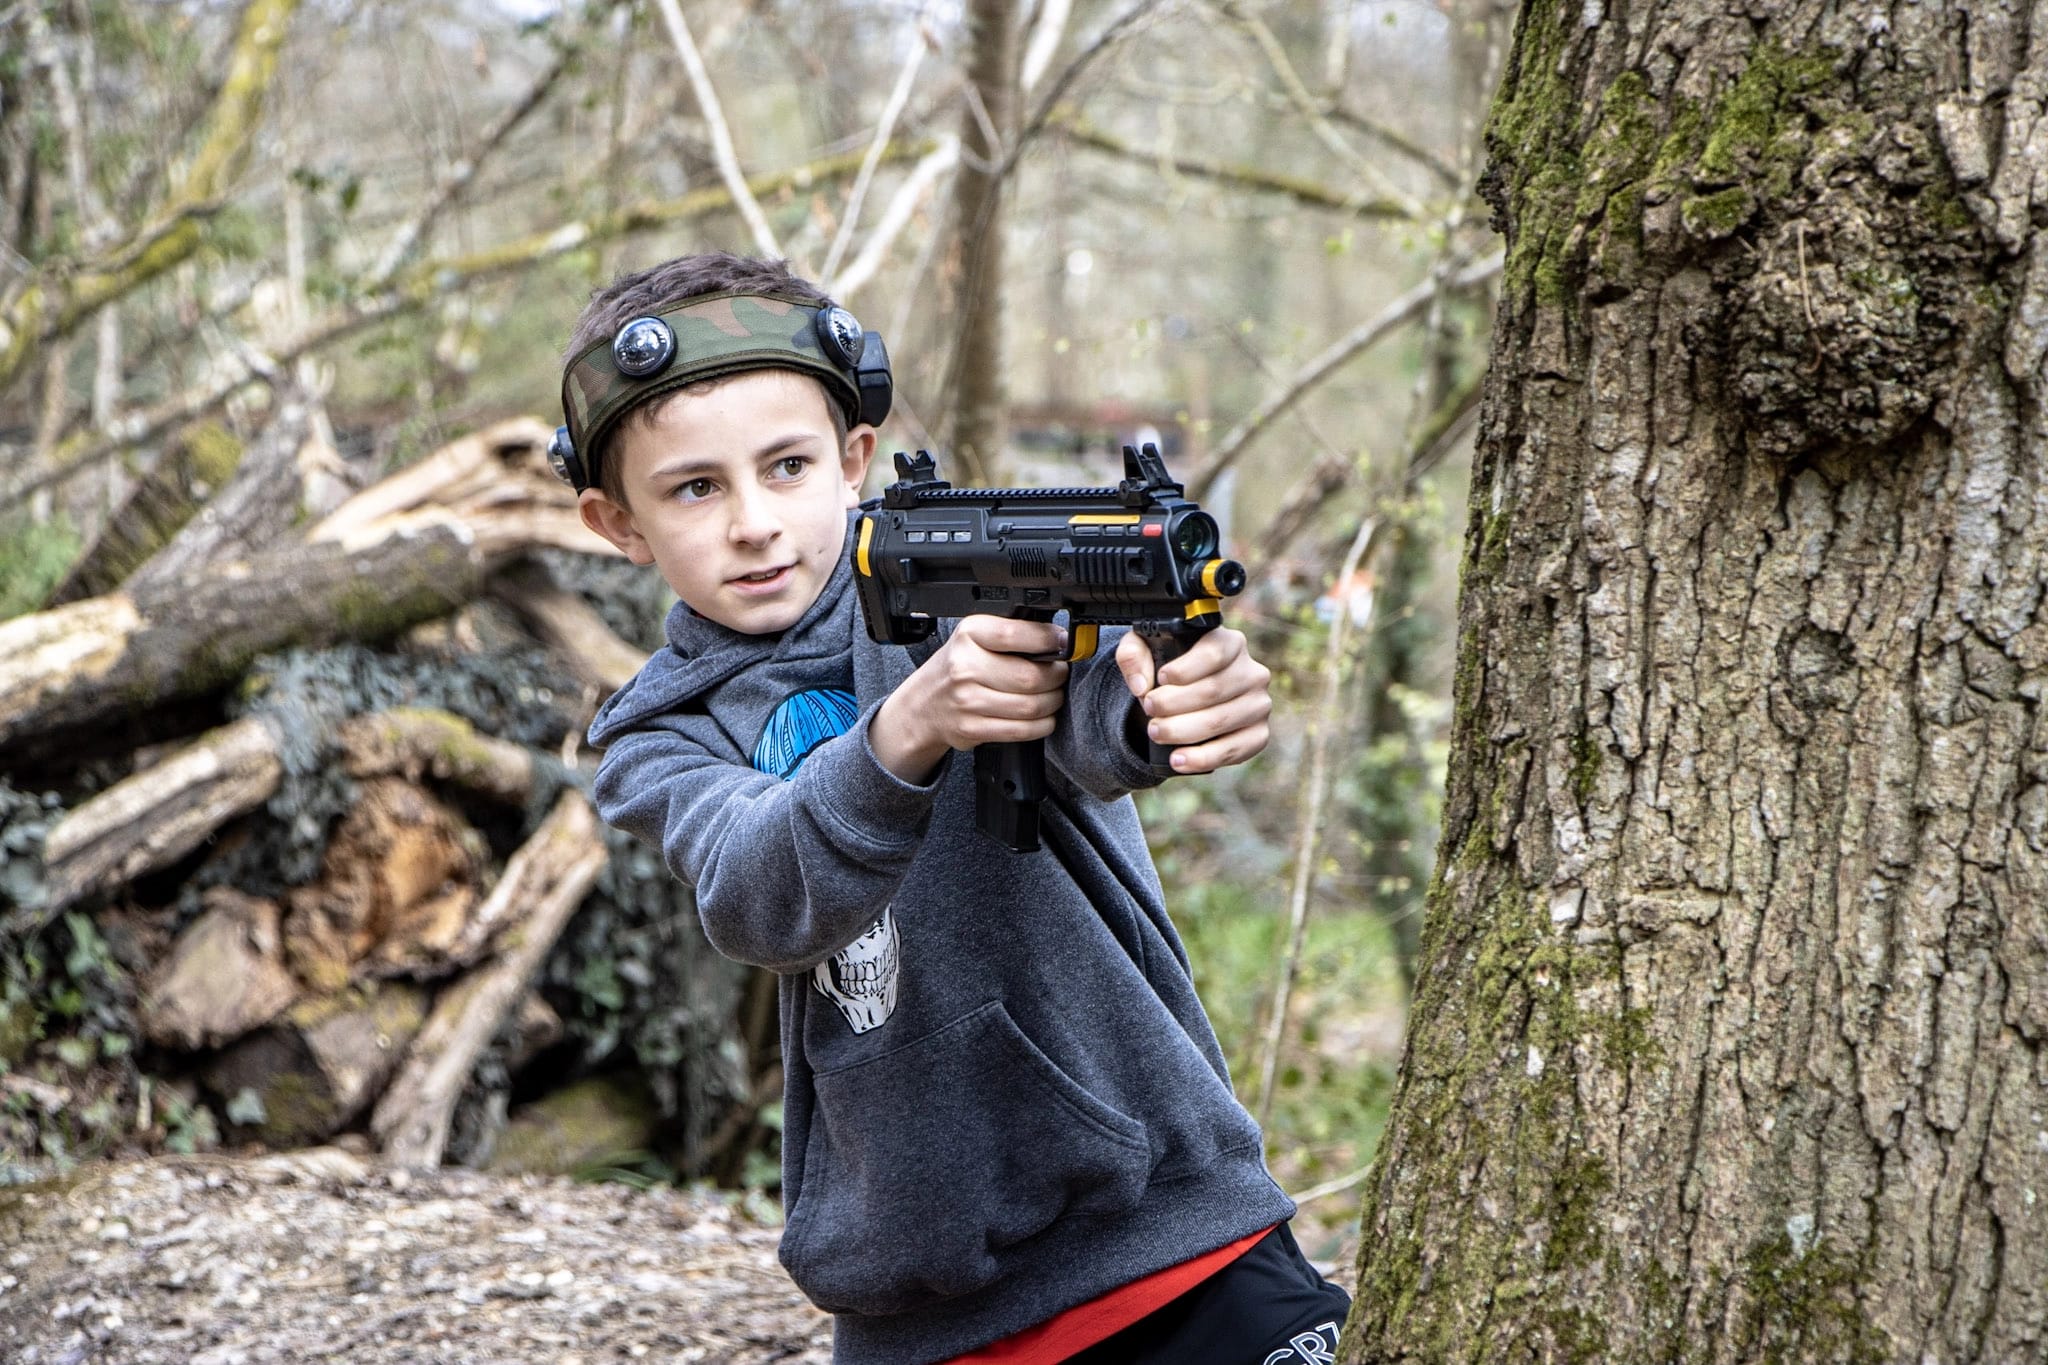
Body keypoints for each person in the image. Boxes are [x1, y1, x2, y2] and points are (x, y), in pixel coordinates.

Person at [555, 251, 1352, 1365]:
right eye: (695, 487)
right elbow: (756, 894)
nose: (751, 522)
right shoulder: (656, 734)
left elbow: (1095, 718)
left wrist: (1172, 695)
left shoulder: (966, 575)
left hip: (1173, 1231)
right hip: (921, 1304)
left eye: (785, 467)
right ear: (617, 523)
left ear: (853, 459)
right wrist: (904, 733)